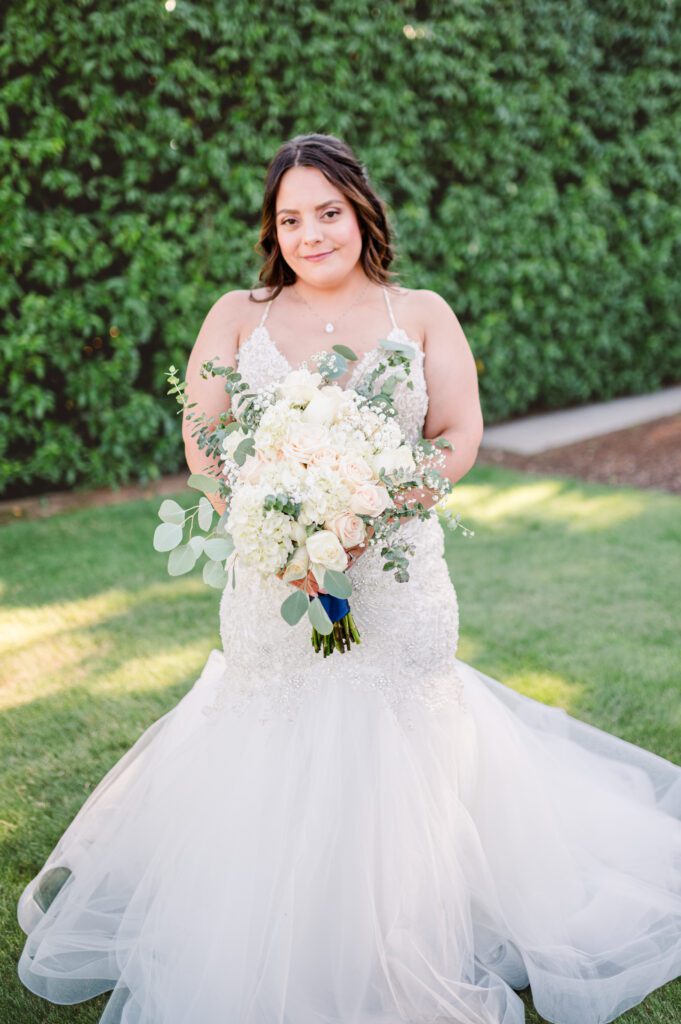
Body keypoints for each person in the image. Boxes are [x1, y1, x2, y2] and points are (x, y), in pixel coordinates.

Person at [16, 133, 681, 1024]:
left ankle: (405, 931)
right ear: (273, 229)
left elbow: (457, 435)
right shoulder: (235, 316)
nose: (309, 234)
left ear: (361, 212)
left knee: (398, 734)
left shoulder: (422, 314)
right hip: (272, 584)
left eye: (326, 212)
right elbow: (203, 444)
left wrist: (372, 512)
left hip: (396, 580)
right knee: (278, 732)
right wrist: (271, 519)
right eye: (290, 219)